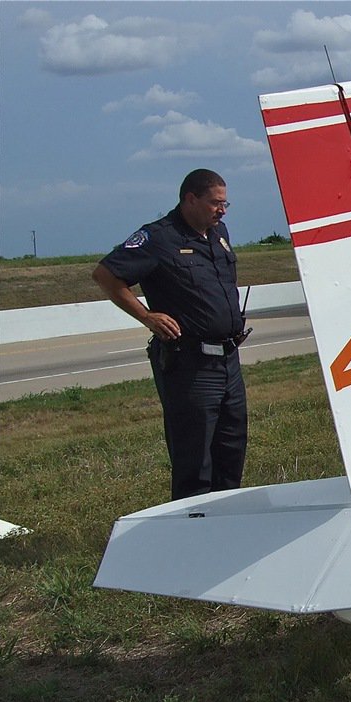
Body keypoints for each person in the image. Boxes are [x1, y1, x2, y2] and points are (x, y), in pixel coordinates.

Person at [92, 169, 249, 500]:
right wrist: (147, 316)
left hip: (228, 361)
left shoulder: (218, 233)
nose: (222, 210)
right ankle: (192, 532)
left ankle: (229, 524)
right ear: (190, 199)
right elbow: (106, 275)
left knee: (231, 451)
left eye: (225, 204)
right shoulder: (159, 238)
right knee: (195, 459)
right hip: (190, 364)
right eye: (215, 203)